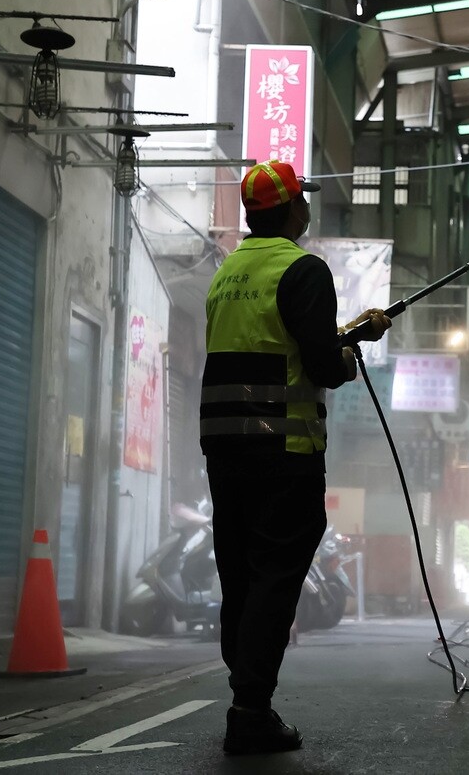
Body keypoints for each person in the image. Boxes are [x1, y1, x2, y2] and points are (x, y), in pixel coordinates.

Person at [201, 159, 389, 755]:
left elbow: (266, 348)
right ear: (288, 210)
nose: (308, 207)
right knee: (279, 575)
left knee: (241, 572)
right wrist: (352, 348)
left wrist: (338, 338)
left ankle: (245, 694)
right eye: (302, 200)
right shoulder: (303, 270)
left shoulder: (227, 273)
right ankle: (250, 710)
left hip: (224, 452)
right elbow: (321, 368)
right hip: (285, 451)